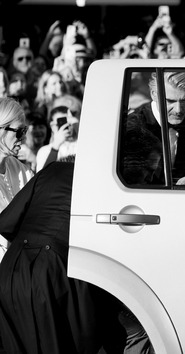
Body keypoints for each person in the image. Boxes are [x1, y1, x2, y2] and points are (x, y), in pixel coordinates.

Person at [0, 161, 105, 354]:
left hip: (10, 273)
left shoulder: (53, 170)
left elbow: (6, 223)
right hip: (54, 276)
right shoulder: (105, 181)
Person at [126, 72, 185, 182]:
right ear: (154, 94)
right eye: (170, 101)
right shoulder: (132, 127)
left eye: (184, 100)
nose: (178, 109)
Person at [0, 98, 34, 254]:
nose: (23, 137)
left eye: (25, 131)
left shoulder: (20, 169)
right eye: (20, 131)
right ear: (2, 130)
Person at [35, 105, 78, 171]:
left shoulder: (81, 144)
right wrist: (56, 146)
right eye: (61, 122)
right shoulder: (45, 151)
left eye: (68, 122)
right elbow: (43, 177)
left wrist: (76, 124)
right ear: (52, 126)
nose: (66, 126)